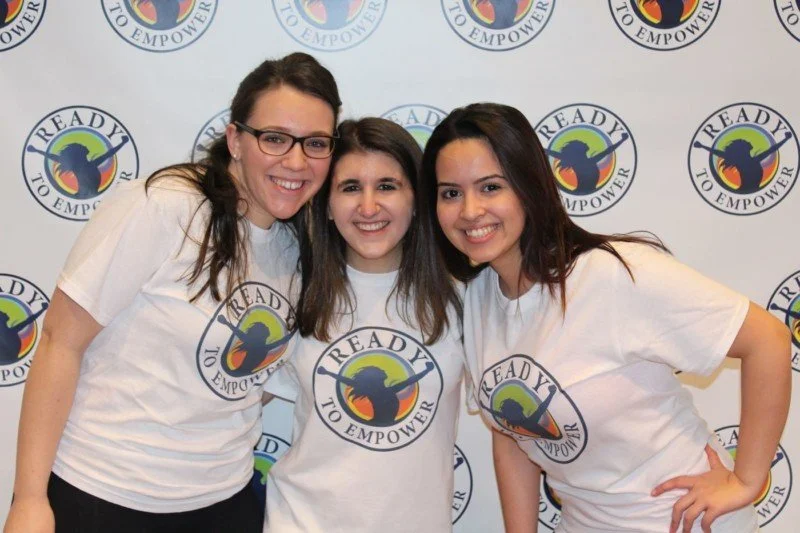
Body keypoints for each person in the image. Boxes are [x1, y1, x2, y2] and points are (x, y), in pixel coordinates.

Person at [4, 52, 341, 533]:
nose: (296, 160)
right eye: (274, 138)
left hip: (223, 501)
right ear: (235, 140)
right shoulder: (164, 207)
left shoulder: (299, 245)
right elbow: (61, 340)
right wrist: (30, 499)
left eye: (315, 143)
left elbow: (244, 381)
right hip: (102, 495)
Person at [422, 102, 791, 533]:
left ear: (529, 186)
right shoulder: (480, 297)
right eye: (451, 193)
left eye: (490, 187)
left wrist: (747, 480)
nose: (469, 211)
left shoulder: (612, 275)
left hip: (683, 522)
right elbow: (513, 436)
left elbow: (768, 338)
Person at [263, 118, 465, 533]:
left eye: (387, 186)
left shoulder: (461, 297)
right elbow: (230, 403)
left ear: (416, 199)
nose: (368, 206)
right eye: (350, 187)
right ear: (328, 205)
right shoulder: (290, 291)